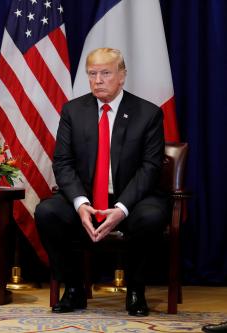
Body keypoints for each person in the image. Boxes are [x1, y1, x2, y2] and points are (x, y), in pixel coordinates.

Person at [35, 48, 169, 317]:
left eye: (105, 73)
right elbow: (62, 162)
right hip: (87, 197)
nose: (98, 80)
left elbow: (150, 167)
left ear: (122, 76)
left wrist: (121, 208)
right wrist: (80, 203)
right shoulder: (73, 111)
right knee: (47, 212)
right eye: (92, 74)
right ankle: (74, 288)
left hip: (131, 199)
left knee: (152, 216)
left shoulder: (148, 113)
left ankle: (135, 290)